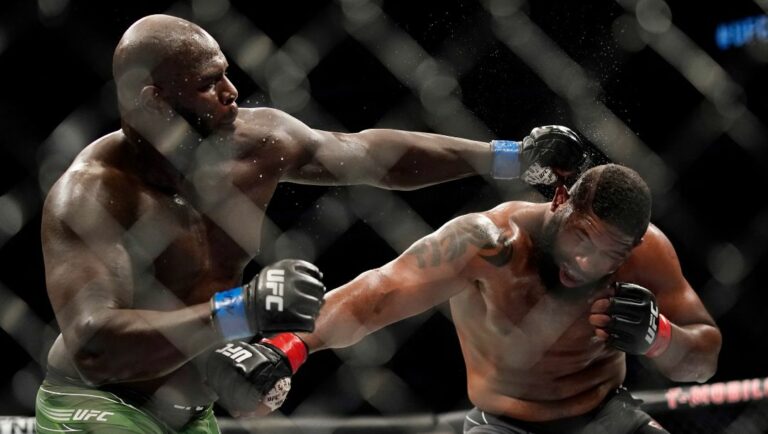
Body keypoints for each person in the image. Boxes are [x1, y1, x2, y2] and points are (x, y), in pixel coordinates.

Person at [35, 13, 591, 434]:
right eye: (209, 84)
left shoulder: (255, 143)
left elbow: (368, 155)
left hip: (190, 409)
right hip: (100, 405)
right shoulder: (92, 196)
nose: (231, 93)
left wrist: (510, 157)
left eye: (226, 74)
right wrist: (240, 311)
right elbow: (93, 344)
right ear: (154, 102)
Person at [257, 164, 722, 433]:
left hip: (607, 417)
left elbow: (702, 362)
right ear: (560, 199)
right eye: (581, 238)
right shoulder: (489, 242)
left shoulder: (648, 253)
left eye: (608, 254)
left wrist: (660, 336)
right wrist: (289, 346)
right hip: (504, 426)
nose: (586, 262)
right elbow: (377, 292)